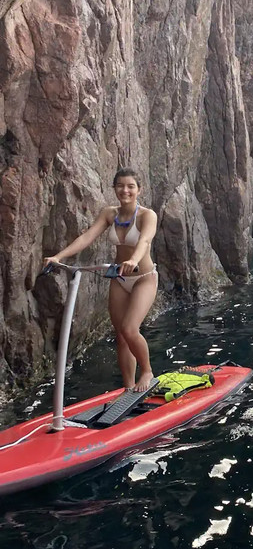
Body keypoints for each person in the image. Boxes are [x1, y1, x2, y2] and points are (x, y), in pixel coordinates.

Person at [44, 168, 159, 393]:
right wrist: (58, 256)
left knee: (129, 329)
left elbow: (144, 241)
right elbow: (87, 237)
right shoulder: (109, 214)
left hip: (143, 278)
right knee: (121, 336)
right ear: (114, 188)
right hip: (119, 278)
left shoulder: (147, 215)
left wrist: (134, 260)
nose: (125, 190)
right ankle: (128, 387)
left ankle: (147, 371)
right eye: (120, 186)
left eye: (131, 186)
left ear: (139, 190)